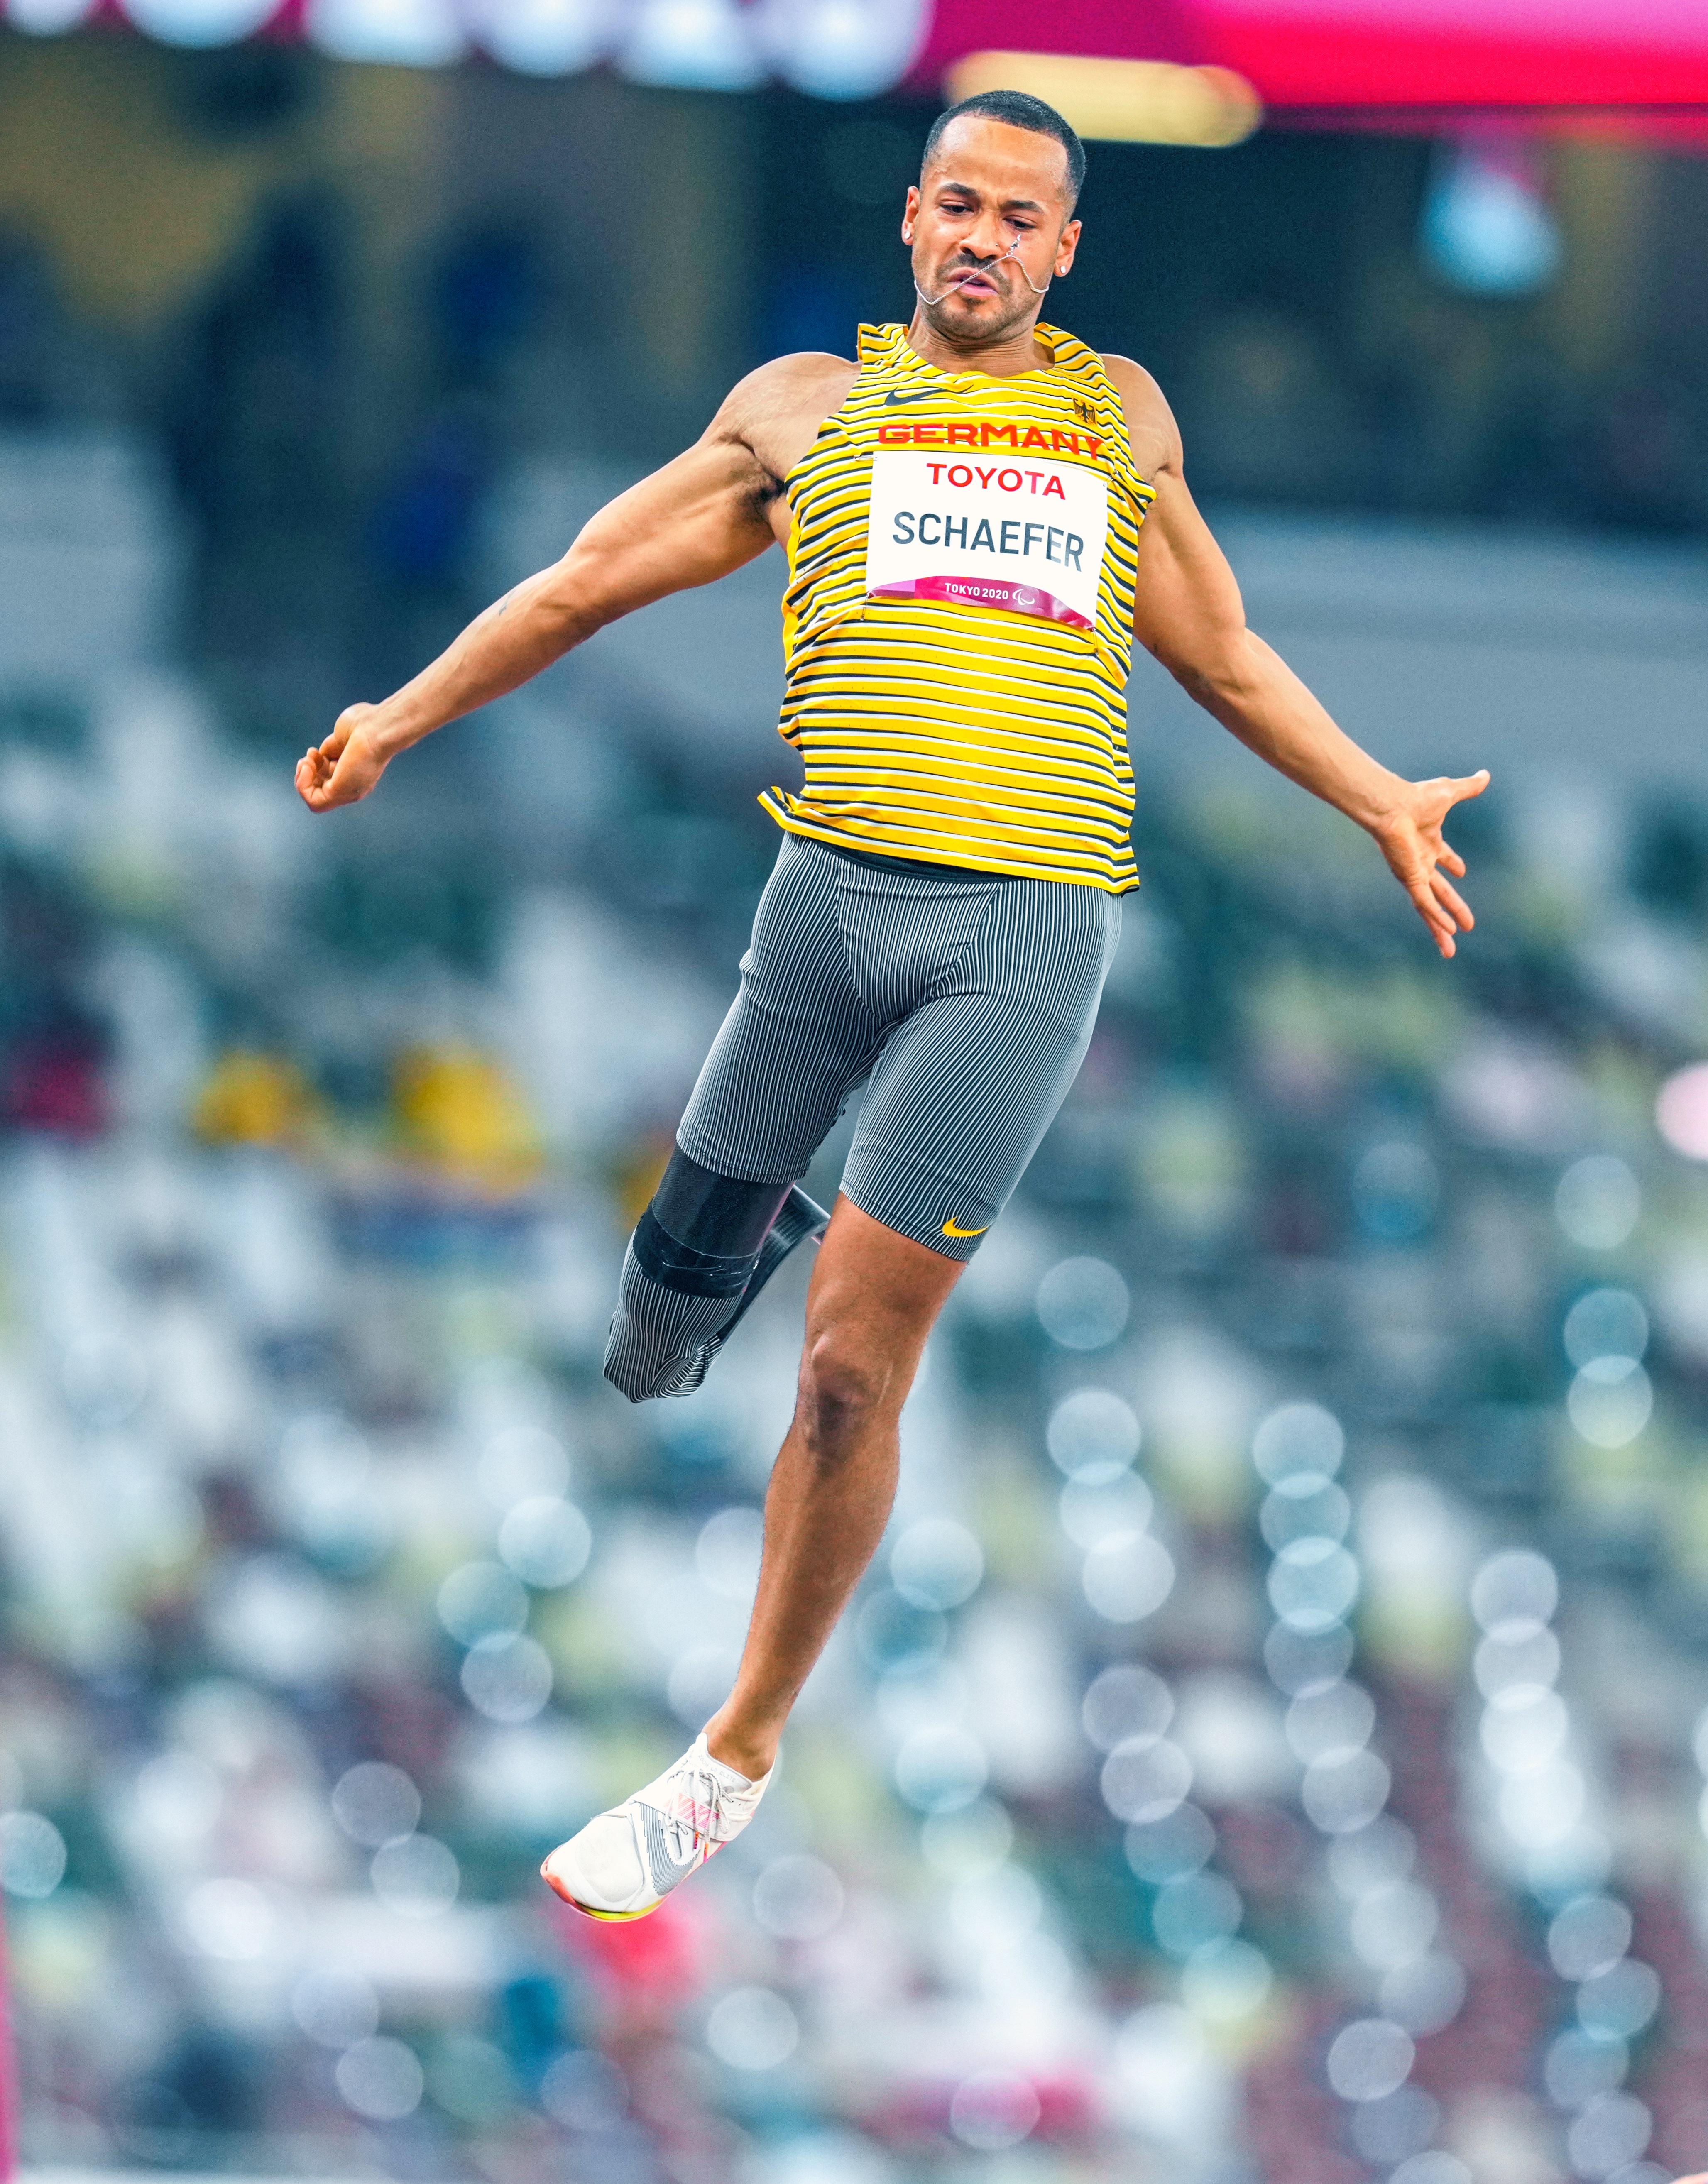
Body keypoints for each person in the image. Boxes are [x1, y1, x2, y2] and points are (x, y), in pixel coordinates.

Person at [296, 88, 1488, 1922]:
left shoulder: (1116, 417)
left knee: (851, 1358)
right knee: (655, 1333)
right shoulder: (804, 412)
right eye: (960, 206)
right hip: (822, 908)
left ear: (1066, 248)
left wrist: (1381, 794)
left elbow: (1225, 651)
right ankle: (718, 1252)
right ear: (912, 221)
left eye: (1025, 216)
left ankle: (735, 1752)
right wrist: (397, 714)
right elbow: (584, 579)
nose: (987, 240)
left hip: (1019, 935)